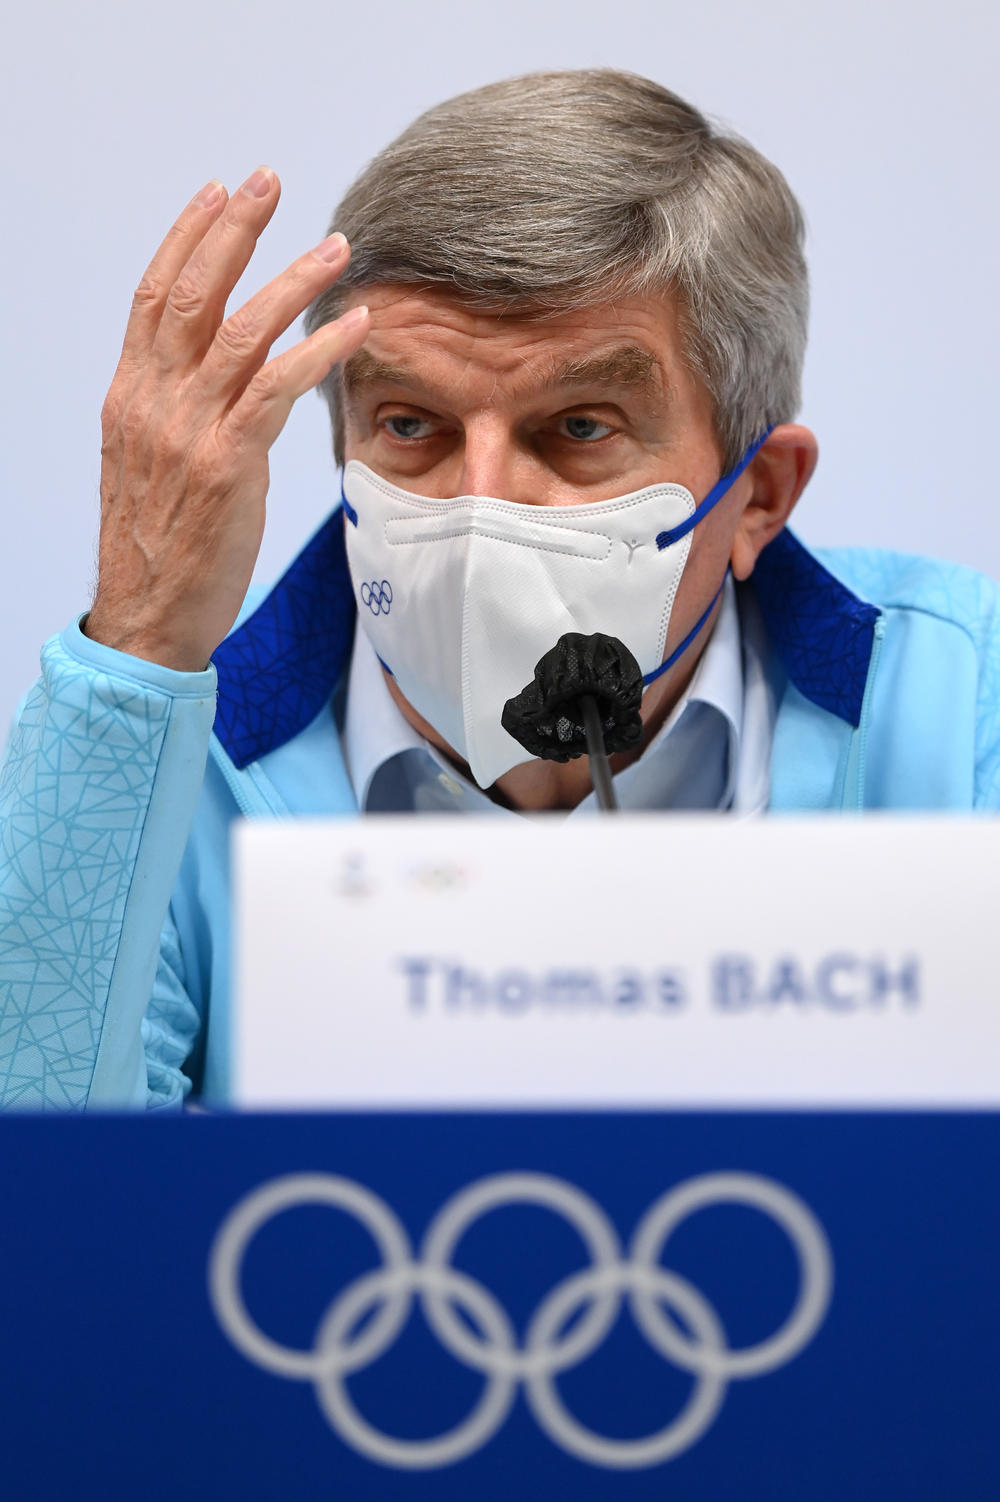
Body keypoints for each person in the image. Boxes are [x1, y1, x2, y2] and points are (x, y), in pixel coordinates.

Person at [2, 69, 998, 1111]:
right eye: (407, 423)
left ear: (757, 494)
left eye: (578, 427)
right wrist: (142, 641)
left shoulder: (954, 698)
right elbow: (49, 1222)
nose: (481, 507)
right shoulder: (162, 764)